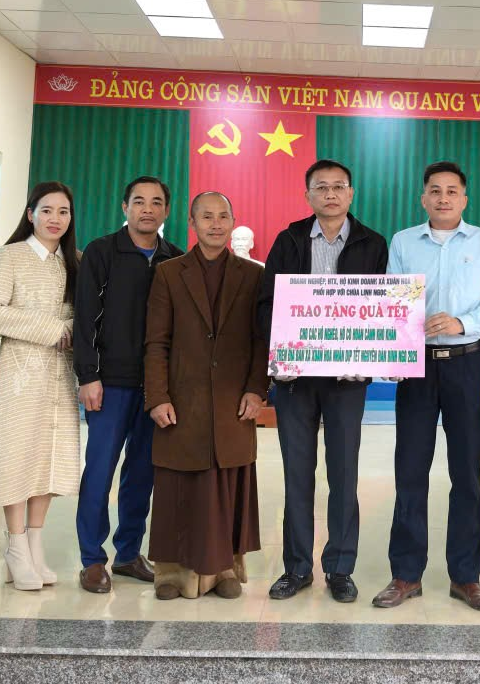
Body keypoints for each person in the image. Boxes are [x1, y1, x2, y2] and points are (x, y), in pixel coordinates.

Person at [374, 161, 480, 612]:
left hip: (465, 366)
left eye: (452, 191)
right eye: (435, 190)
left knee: (466, 475)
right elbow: (391, 302)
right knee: (410, 472)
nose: (444, 198)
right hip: (416, 369)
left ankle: (465, 578)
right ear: (424, 198)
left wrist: (462, 323)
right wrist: (393, 352)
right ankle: (405, 575)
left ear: (464, 199)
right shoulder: (402, 242)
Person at [257, 160, 388, 604]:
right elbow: (267, 303)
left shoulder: (373, 243)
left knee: (344, 474)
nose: (330, 194)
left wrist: (365, 358)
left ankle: (340, 568)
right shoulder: (290, 239)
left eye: (338, 187)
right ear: (308, 195)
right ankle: (296, 568)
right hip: (296, 379)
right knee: (297, 474)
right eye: (321, 187)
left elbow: (383, 308)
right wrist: (279, 356)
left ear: (350, 193)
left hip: (347, 379)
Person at [145, 191, 269, 600]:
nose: (216, 224)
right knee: (178, 486)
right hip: (182, 397)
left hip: (234, 398)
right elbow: (156, 341)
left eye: (223, 216)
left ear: (233, 221)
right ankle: (171, 574)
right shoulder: (169, 273)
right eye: (206, 216)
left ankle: (223, 570)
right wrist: (158, 396)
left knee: (225, 484)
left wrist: (256, 389)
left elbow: (261, 340)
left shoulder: (252, 275)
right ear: (192, 223)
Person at [73, 176, 181, 593]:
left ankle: (129, 553)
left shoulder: (175, 259)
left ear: (166, 211)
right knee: (100, 470)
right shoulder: (101, 252)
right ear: (125, 207)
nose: (147, 209)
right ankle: (91, 559)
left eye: (156, 203)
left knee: (142, 474)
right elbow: (85, 317)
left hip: (155, 388)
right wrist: (88, 376)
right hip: (109, 383)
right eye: (139, 201)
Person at [0, 181, 80, 591]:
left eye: (63, 212)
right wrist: (55, 329)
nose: (55, 219)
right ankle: (16, 546)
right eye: (47, 210)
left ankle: (36, 544)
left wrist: (72, 329)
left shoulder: (74, 262)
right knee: (16, 458)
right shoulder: (10, 256)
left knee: (50, 459)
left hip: (60, 374)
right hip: (20, 373)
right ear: (30, 214)